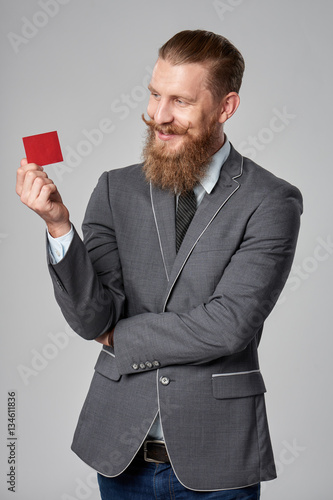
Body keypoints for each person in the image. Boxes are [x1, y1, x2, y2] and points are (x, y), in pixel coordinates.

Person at [16, 30, 302, 499]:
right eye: (154, 94)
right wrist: (58, 227)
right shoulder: (115, 189)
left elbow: (228, 325)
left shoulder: (271, 201)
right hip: (119, 453)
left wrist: (121, 338)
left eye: (181, 101)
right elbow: (94, 318)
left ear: (226, 107)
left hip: (217, 460)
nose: (159, 117)